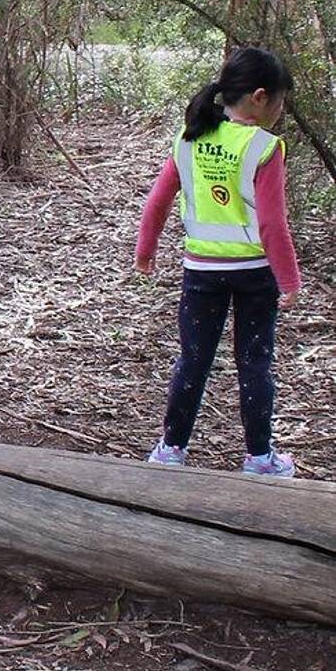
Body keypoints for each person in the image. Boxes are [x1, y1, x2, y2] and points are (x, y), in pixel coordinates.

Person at [135, 45, 301, 476]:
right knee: (255, 361)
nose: (281, 110)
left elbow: (157, 202)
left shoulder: (191, 137)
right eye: (280, 101)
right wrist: (290, 280)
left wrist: (146, 251)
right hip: (254, 274)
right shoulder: (264, 147)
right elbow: (271, 224)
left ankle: (171, 449)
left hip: (202, 271)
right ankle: (260, 459)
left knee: (193, 358)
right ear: (260, 97)